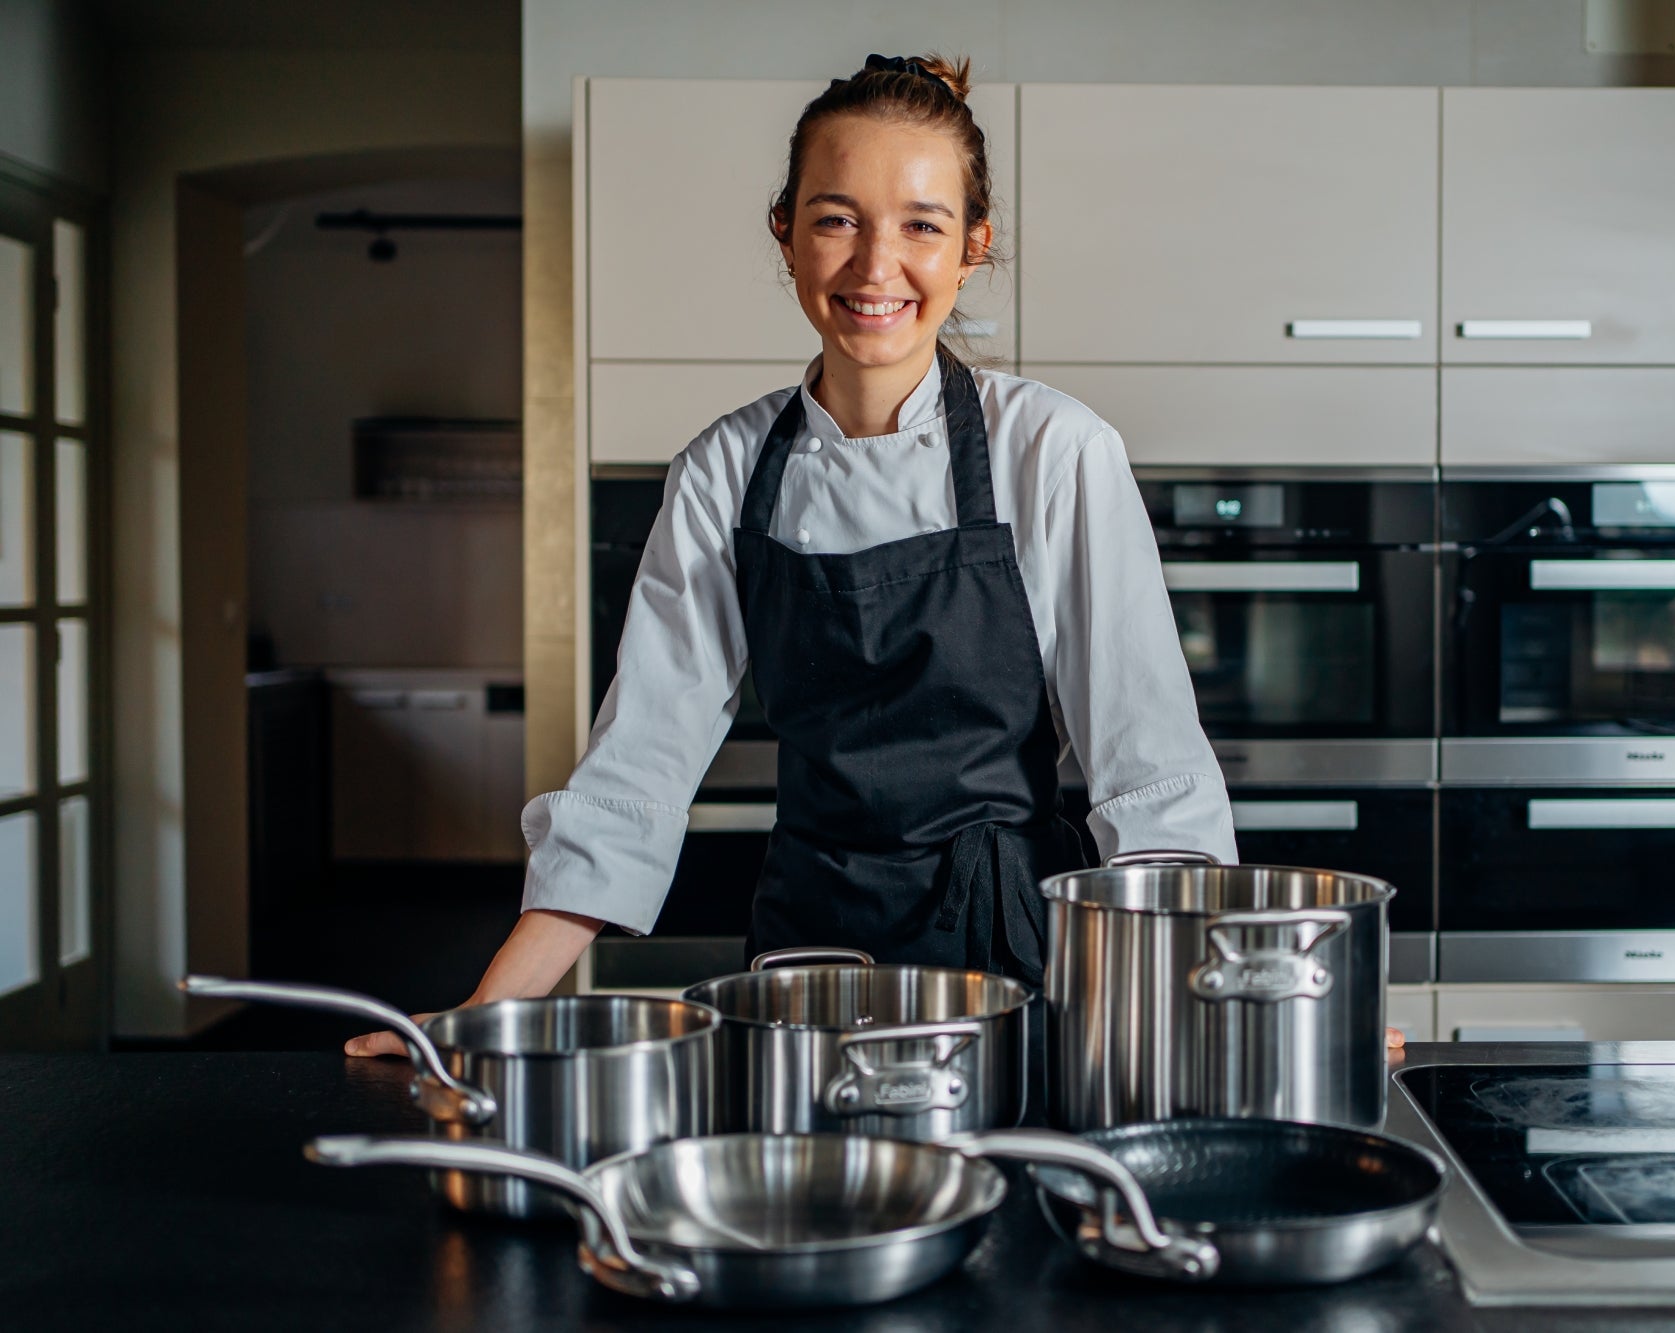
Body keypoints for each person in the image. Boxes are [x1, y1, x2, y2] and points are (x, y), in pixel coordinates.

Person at [347, 52, 1403, 1055]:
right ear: (785, 233)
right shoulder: (723, 472)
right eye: (835, 221)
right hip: (807, 957)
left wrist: (1260, 1004)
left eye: (920, 226)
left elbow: (1149, 770)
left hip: (1011, 958)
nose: (873, 267)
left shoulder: (1052, 450)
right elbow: (636, 772)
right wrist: (485, 1012)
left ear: (970, 245)